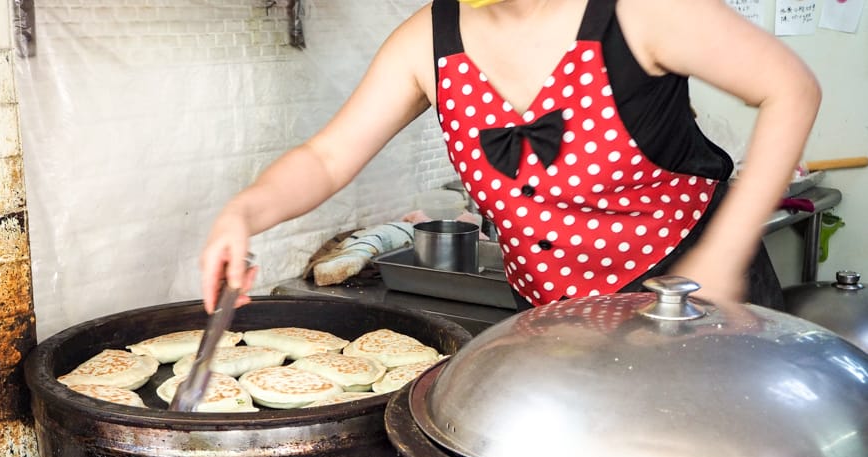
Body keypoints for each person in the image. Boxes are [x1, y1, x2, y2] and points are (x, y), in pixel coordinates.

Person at [199, 0, 820, 314]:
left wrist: (723, 256)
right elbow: (328, 157)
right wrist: (244, 212)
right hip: (552, 327)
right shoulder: (429, 36)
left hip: (692, 303)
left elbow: (790, 88)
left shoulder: (641, 12)